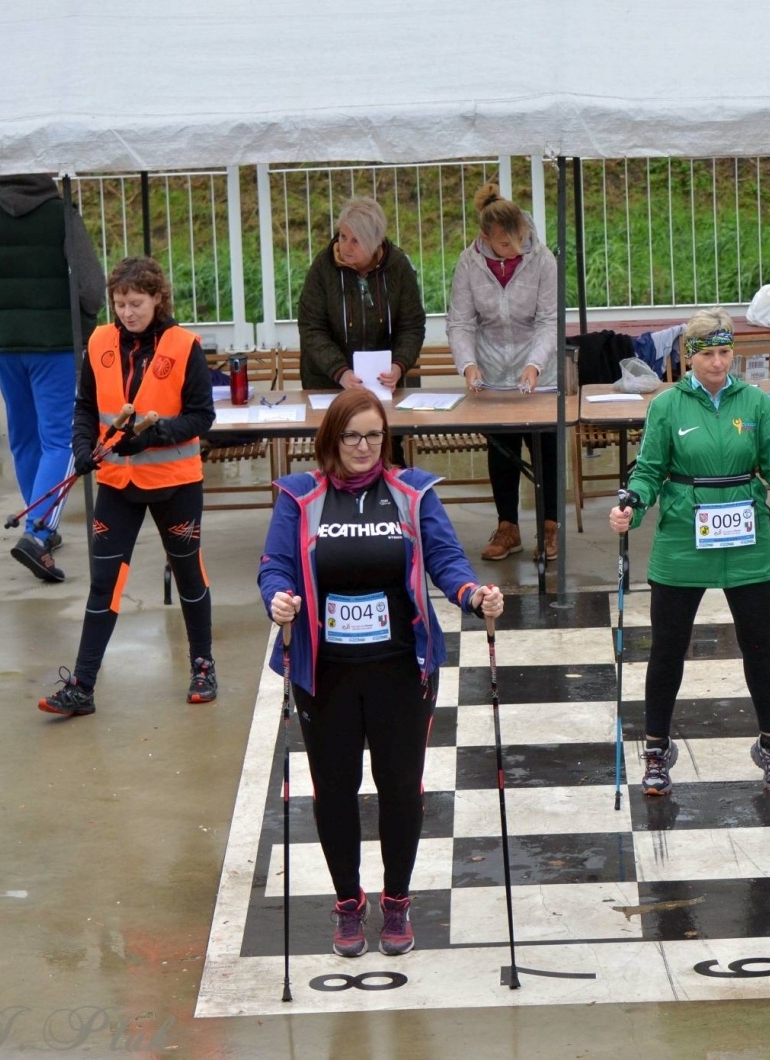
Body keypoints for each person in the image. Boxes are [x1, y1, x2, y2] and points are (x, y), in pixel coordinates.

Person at [258, 388, 505, 958]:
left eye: (374, 435)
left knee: (400, 788)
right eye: (351, 435)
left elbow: (446, 559)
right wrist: (278, 598)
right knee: (334, 790)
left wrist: (473, 594)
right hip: (326, 673)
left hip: (400, 669)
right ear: (332, 439)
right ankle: (349, 902)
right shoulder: (299, 496)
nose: (363, 446)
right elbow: (275, 565)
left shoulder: (412, 493)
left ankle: (397, 900)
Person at [607, 307, 770, 797]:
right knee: (667, 649)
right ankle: (656, 749)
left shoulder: (755, 402)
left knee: (759, 646)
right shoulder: (667, 406)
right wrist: (631, 507)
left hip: (747, 540)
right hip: (683, 539)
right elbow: (648, 472)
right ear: (690, 357)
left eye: (726, 352)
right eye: (709, 354)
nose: (719, 363)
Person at [38, 258, 217, 716]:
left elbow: (202, 416)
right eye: (120, 304)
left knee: (188, 574)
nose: (127, 312)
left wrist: (154, 436)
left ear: (157, 298)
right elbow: (84, 407)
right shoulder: (99, 341)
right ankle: (82, 687)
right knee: (104, 583)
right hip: (117, 483)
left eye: (136, 303)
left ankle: (202, 667)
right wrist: (82, 446)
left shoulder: (185, 346)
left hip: (175, 484)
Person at [0, 173, 104, 583]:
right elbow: (91, 286)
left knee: (24, 436)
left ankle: (40, 521)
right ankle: (37, 532)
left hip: (5, 345)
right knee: (61, 439)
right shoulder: (61, 214)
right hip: (55, 344)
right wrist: (82, 316)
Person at [448, 181, 561, 563]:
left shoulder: (543, 260)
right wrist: (468, 365)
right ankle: (507, 527)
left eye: (520, 239)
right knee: (502, 450)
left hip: (540, 371)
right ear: (486, 240)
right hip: (492, 372)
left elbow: (549, 320)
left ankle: (550, 525)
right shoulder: (469, 263)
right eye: (505, 244)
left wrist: (535, 364)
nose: (516, 249)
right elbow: (461, 322)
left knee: (545, 449)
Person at [296, 196, 425, 464]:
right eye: (343, 237)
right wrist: (340, 371)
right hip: (329, 383)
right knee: (338, 457)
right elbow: (312, 327)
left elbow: (411, 325)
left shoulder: (398, 266)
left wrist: (399, 365)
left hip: (382, 386)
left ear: (375, 241)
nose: (345, 246)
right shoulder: (323, 268)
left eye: (356, 240)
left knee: (387, 454)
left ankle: (390, 491)